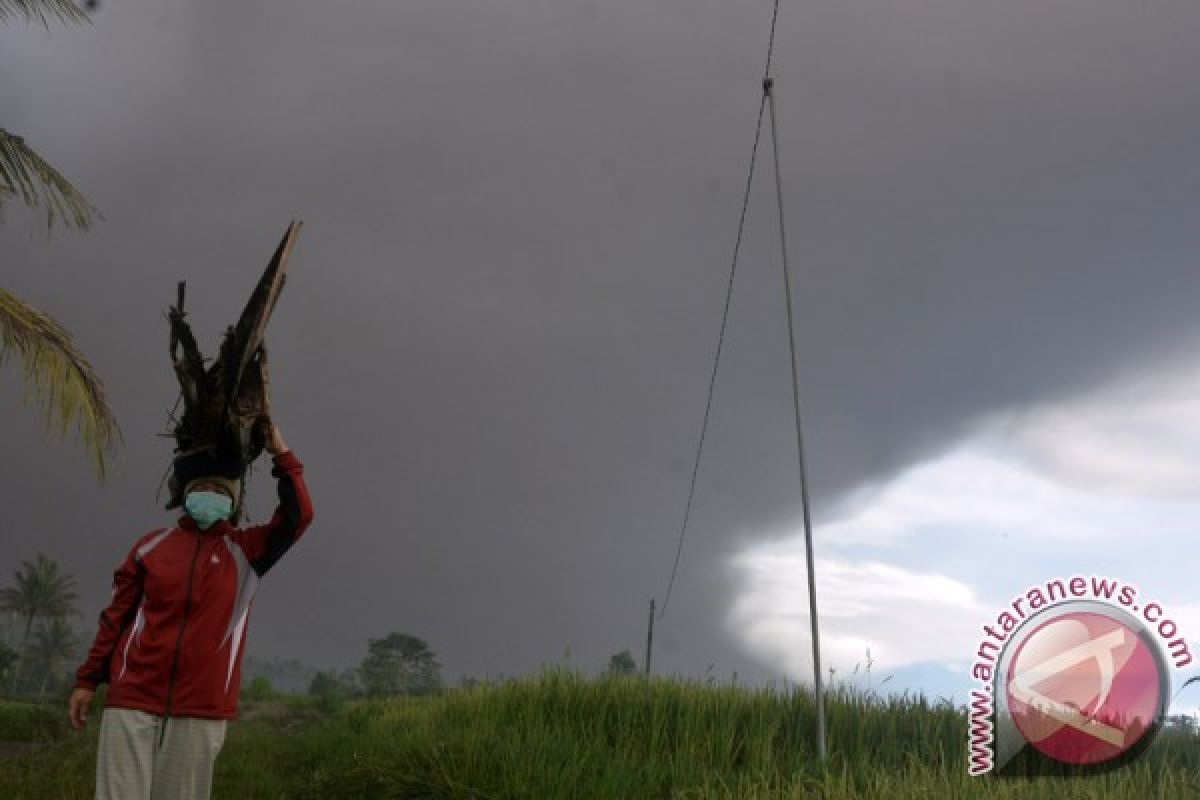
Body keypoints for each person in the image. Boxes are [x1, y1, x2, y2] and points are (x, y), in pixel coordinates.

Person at [69, 421, 314, 800]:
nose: (207, 494)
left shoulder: (247, 552)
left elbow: (299, 516)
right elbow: (115, 618)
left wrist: (281, 453)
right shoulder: (150, 547)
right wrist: (87, 681)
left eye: (218, 488)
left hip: (200, 709)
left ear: (232, 501)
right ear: (184, 495)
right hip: (132, 700)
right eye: (199, 487)